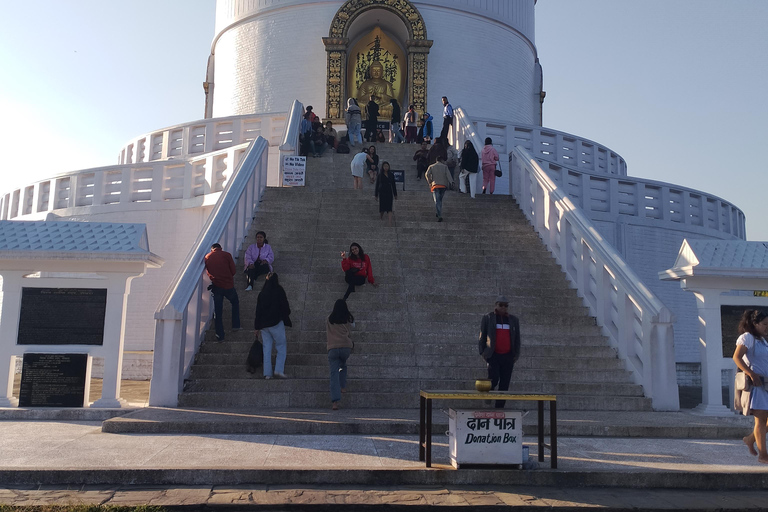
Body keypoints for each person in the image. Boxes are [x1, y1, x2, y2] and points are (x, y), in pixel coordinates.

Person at [732, 309, 768, 463]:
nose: (767, 327)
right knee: (760, 420)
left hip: (766, 383)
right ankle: (763, 454)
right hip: (756, 384)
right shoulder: (747, 337)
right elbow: (737, 357)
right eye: (765, 324)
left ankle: (749, 439)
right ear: (755, 323)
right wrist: (751, 374)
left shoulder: (763, 340)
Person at [478, 296, 521, 408]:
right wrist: (482, 352)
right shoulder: (488, 318)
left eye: (506, 305)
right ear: (495, 305)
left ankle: (500, 407)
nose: (503, 307)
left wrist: (516, 354)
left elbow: (517, 339)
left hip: (508, 355)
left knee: (505, 383)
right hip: (493, 355)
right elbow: (482, 336)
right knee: (494, 377)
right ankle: (488, 394)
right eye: (501, 305)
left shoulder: (513, 320)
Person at [254, 272, 292, 380]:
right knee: (281, 345)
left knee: (267, 348)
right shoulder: (279, 291)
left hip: (264, 326)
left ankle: (267, 373)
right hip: (276, 323)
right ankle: (279, 370)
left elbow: (258, 312)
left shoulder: (262, 293)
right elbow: (285, 306)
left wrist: (256, 327)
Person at [204, 243, 241, 341]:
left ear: (212, 249)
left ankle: (220, 335)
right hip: (228, 286)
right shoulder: (227, 255)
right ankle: (236, 325)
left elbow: (208, 272)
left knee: (218, 312)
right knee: (235, 302)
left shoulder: (207, 257)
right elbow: (233, 271)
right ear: (220, 248)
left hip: (217, 287)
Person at [326, 299, 355, 410]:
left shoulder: (329, 319)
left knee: (334, 373)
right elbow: (354, 325)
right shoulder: (348, 318)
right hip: (345, 348)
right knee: (342, 365)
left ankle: (335, 402)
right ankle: (343, 386)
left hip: (333, 348)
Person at [425, 155, 453, 222]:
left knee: (437, 201)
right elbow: (448, 175)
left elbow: (427, 174)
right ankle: (438, 212)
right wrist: (452, 182)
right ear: (441, 160)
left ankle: (439, 214)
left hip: (435, 185)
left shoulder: (432, 166)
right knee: (440, 200)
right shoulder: (445, 167)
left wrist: (430, 181)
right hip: (443, 186)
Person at [374, 161, 398, 226]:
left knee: (389, 207)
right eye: (385, 166)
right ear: (382, 167)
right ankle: (381, 217)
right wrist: (376, 194)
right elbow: (377, 185)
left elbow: (393, 185)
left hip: (389, 192)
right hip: (382, 191)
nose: (386, 168)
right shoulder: (380, 175)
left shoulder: (391, 174)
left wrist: (395, 194)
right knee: (382, 207)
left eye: (387, 166)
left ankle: (390, 222)